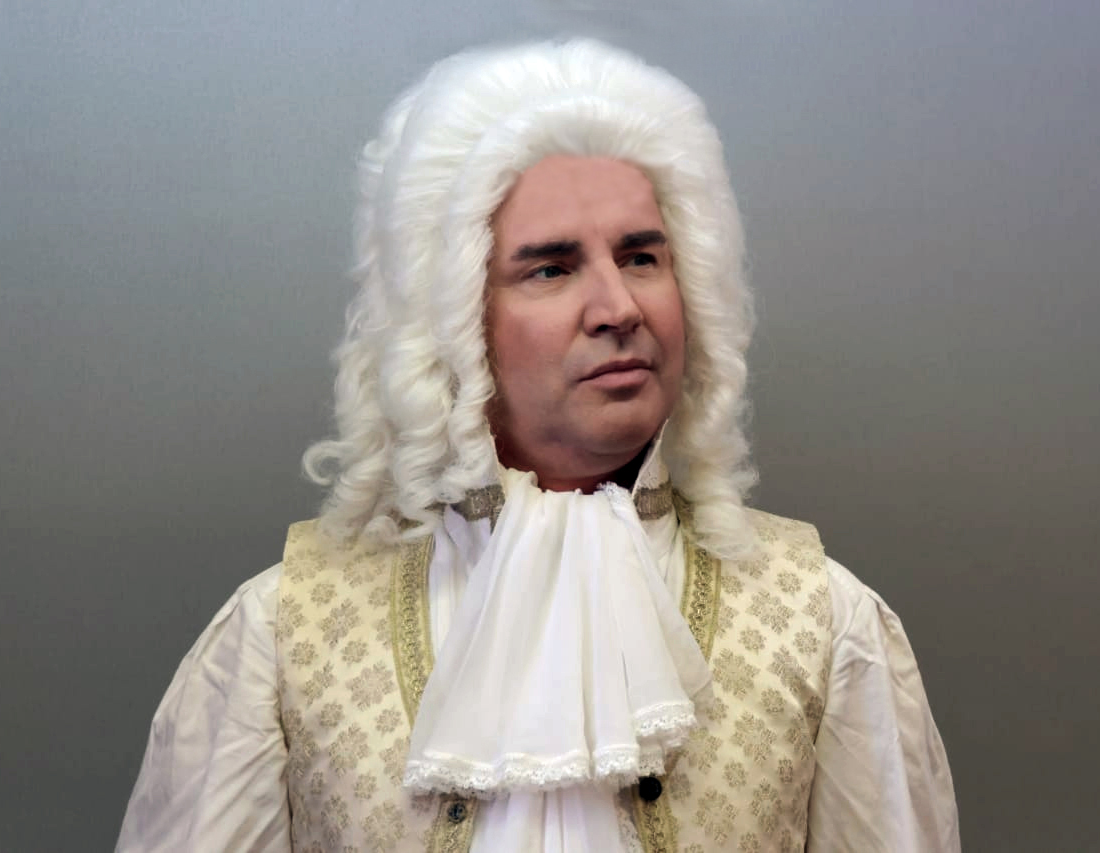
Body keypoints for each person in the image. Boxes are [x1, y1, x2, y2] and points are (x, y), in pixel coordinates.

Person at [117, 39, 959, 852]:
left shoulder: (822, 620)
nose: (617, 307)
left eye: (641, 256)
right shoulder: (283, 633)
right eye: (551, 268)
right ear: (453, 322)